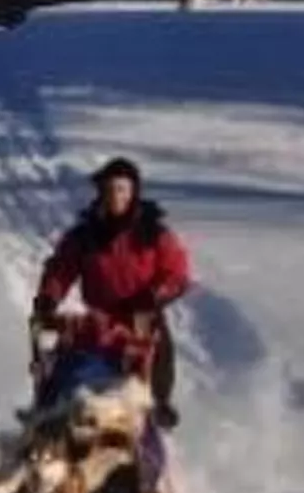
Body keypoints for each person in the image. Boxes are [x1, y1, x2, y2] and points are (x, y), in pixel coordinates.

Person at [31, 156, 191, 428]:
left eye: (122, 189)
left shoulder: (153, 233)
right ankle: (47, 416)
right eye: (110, 189)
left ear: (133, 193)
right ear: (101, 192)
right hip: (99, 320)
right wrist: (49, 297)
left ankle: (156, 412)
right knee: (63, 363)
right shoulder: (85, 234)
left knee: (156, 357)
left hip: (142, 319)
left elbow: (177, 273)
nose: (116, 196)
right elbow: (61, 268)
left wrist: (153, 296)